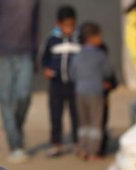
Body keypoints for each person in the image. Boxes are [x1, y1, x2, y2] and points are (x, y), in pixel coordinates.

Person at [0, 0, 40, 163]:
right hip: (1, 54)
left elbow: (35, 25)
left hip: (25, 53)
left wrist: (35, 52)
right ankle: (16, 146)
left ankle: (16, 129)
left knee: (24, 95)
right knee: (5, 100)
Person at [69, 22, 114, 161]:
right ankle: (94, 152)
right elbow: (108, 72)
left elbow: (72, 74)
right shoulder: (100, 55)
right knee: (96, 123)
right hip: (95, 92)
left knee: (83, 123)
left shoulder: (77, 55)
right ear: (92, 38)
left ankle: (83, 149)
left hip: (80, 92)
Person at [40, 5, 80, 158]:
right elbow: (43, 58)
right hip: (56, 84)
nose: (69, 29)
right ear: (58, 24)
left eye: (71, 25)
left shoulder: (78, 39)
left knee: (76, 115)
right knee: (55, 115)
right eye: (66, 25)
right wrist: (46, 69)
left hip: (74, 84)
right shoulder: (51, 40)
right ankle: (56, 144)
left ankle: (76, 142)